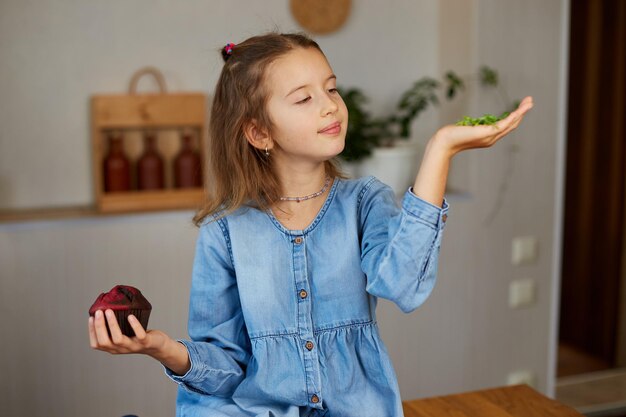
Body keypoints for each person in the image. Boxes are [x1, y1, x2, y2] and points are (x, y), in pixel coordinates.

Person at [88, 32, 534, 416]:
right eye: (304, 98)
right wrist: (161, 348)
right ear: (259, 132)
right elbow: (225, 369)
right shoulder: (225, 232)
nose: (330, 107)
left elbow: (403, 285)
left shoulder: (365, 201)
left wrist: (441, 150)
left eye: (332, 89)